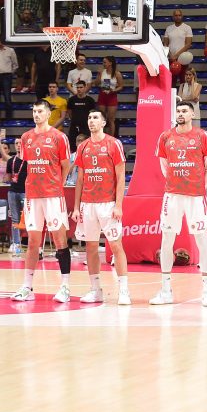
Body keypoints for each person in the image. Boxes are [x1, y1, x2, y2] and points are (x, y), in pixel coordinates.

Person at [152, 101, 207, 306]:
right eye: (178, 111)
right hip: (172, 196)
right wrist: (175, 183)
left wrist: (199, 187)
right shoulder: (165, 137)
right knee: (166, 240)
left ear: (192, 114)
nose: (180, 113)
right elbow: (164, 166)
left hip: (196, 197)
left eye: (184, 111)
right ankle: (165, 290)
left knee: (202, 240)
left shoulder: (202, 136)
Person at [12, 100, 73, 303]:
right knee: (32, 243)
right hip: (33, 196)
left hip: (53, 195)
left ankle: (64, 286)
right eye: (34, 111)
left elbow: (66, 165)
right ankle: (27, 287)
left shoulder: (59, 137)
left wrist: (59, 185)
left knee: (60, 241)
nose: (36, 114)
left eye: (40, 111)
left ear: (48, 114)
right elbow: (27, 164)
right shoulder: (26, 138)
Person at [71, 110, 130, 304]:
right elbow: (80, 179)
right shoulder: (84, 147)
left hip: (108, 203)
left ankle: (124, 290)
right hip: (88, 204)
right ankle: (96, 290)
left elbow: (121, 176)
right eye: (89, 117)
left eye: (95, 118)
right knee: (91, 247)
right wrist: (76, 207)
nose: (91, 121)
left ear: (104, 122)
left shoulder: (114, 144)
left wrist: (119, 205)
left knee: (115, 245)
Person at [0, 134, 26, 256]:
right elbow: (9, 177)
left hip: (26, 193)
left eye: (20, 143)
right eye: (16, 144)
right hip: (13, 192)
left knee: (29, 219)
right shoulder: (11, 160)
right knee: (15, 219)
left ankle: (34, 245)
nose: (18, 145)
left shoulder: (30, 160)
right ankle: (16, 244)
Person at [0, 36, 18, 122]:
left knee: (7, 96)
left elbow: (15, 64)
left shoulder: (11, 50)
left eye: (0, 40)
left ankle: (8, 118)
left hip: (7, 76)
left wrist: (9, 73)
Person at [66, 80, 97, 150]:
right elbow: (69, 112)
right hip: (74, 126)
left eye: (81, 87)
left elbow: (93, 113)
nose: (79, 89)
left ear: (85, 87)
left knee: (87, 147)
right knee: (73, 146)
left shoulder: (90, 100)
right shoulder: (72, 100)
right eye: (77, 88)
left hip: (86, 127)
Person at [96, 55, 122, 137]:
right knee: (102, 118)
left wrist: (114, 90)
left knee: (111, 119)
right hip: (102, 95)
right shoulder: (102, 72)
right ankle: (101, 136)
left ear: (110, 63)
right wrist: (99, 75)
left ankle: (111, 138)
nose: (103, 64)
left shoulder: (117, 73)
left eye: (105, 62)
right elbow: (96, 83)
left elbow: (121, 86)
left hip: (112, 96)